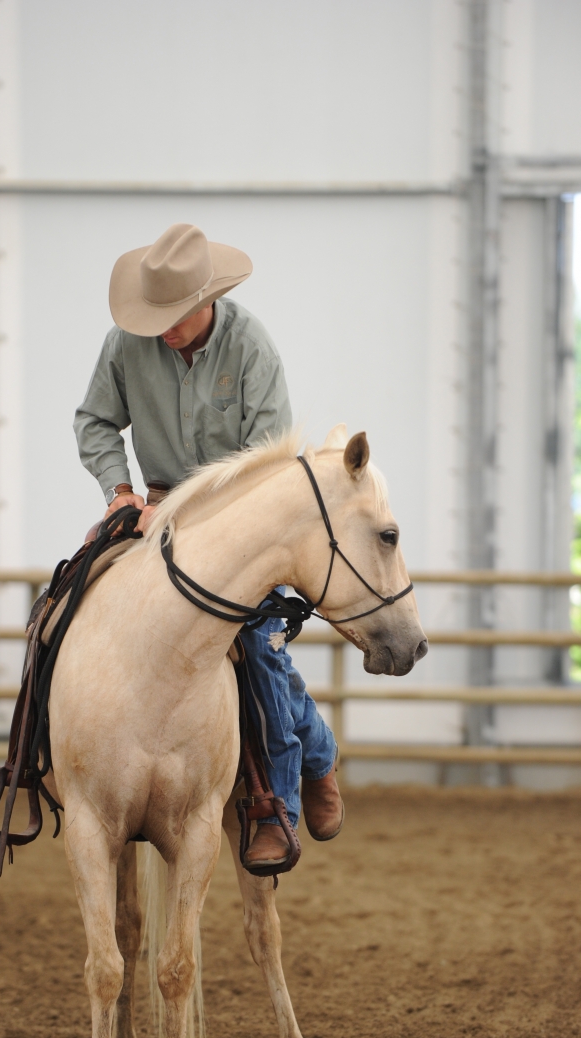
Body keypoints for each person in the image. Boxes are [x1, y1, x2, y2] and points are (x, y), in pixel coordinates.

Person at [74, 223, 342, 867]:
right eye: (153, 314)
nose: (160, 326)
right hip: (153, 517)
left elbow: (269, 466)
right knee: (67, 606)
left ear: (206, 300)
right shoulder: (125, 345)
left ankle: (277, 804)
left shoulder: (251, 347)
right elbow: (95, 420)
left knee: (258, 644)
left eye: (173, 314)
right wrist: (119, 491)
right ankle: (32, 763)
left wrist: (194, 514)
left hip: (239, 528)